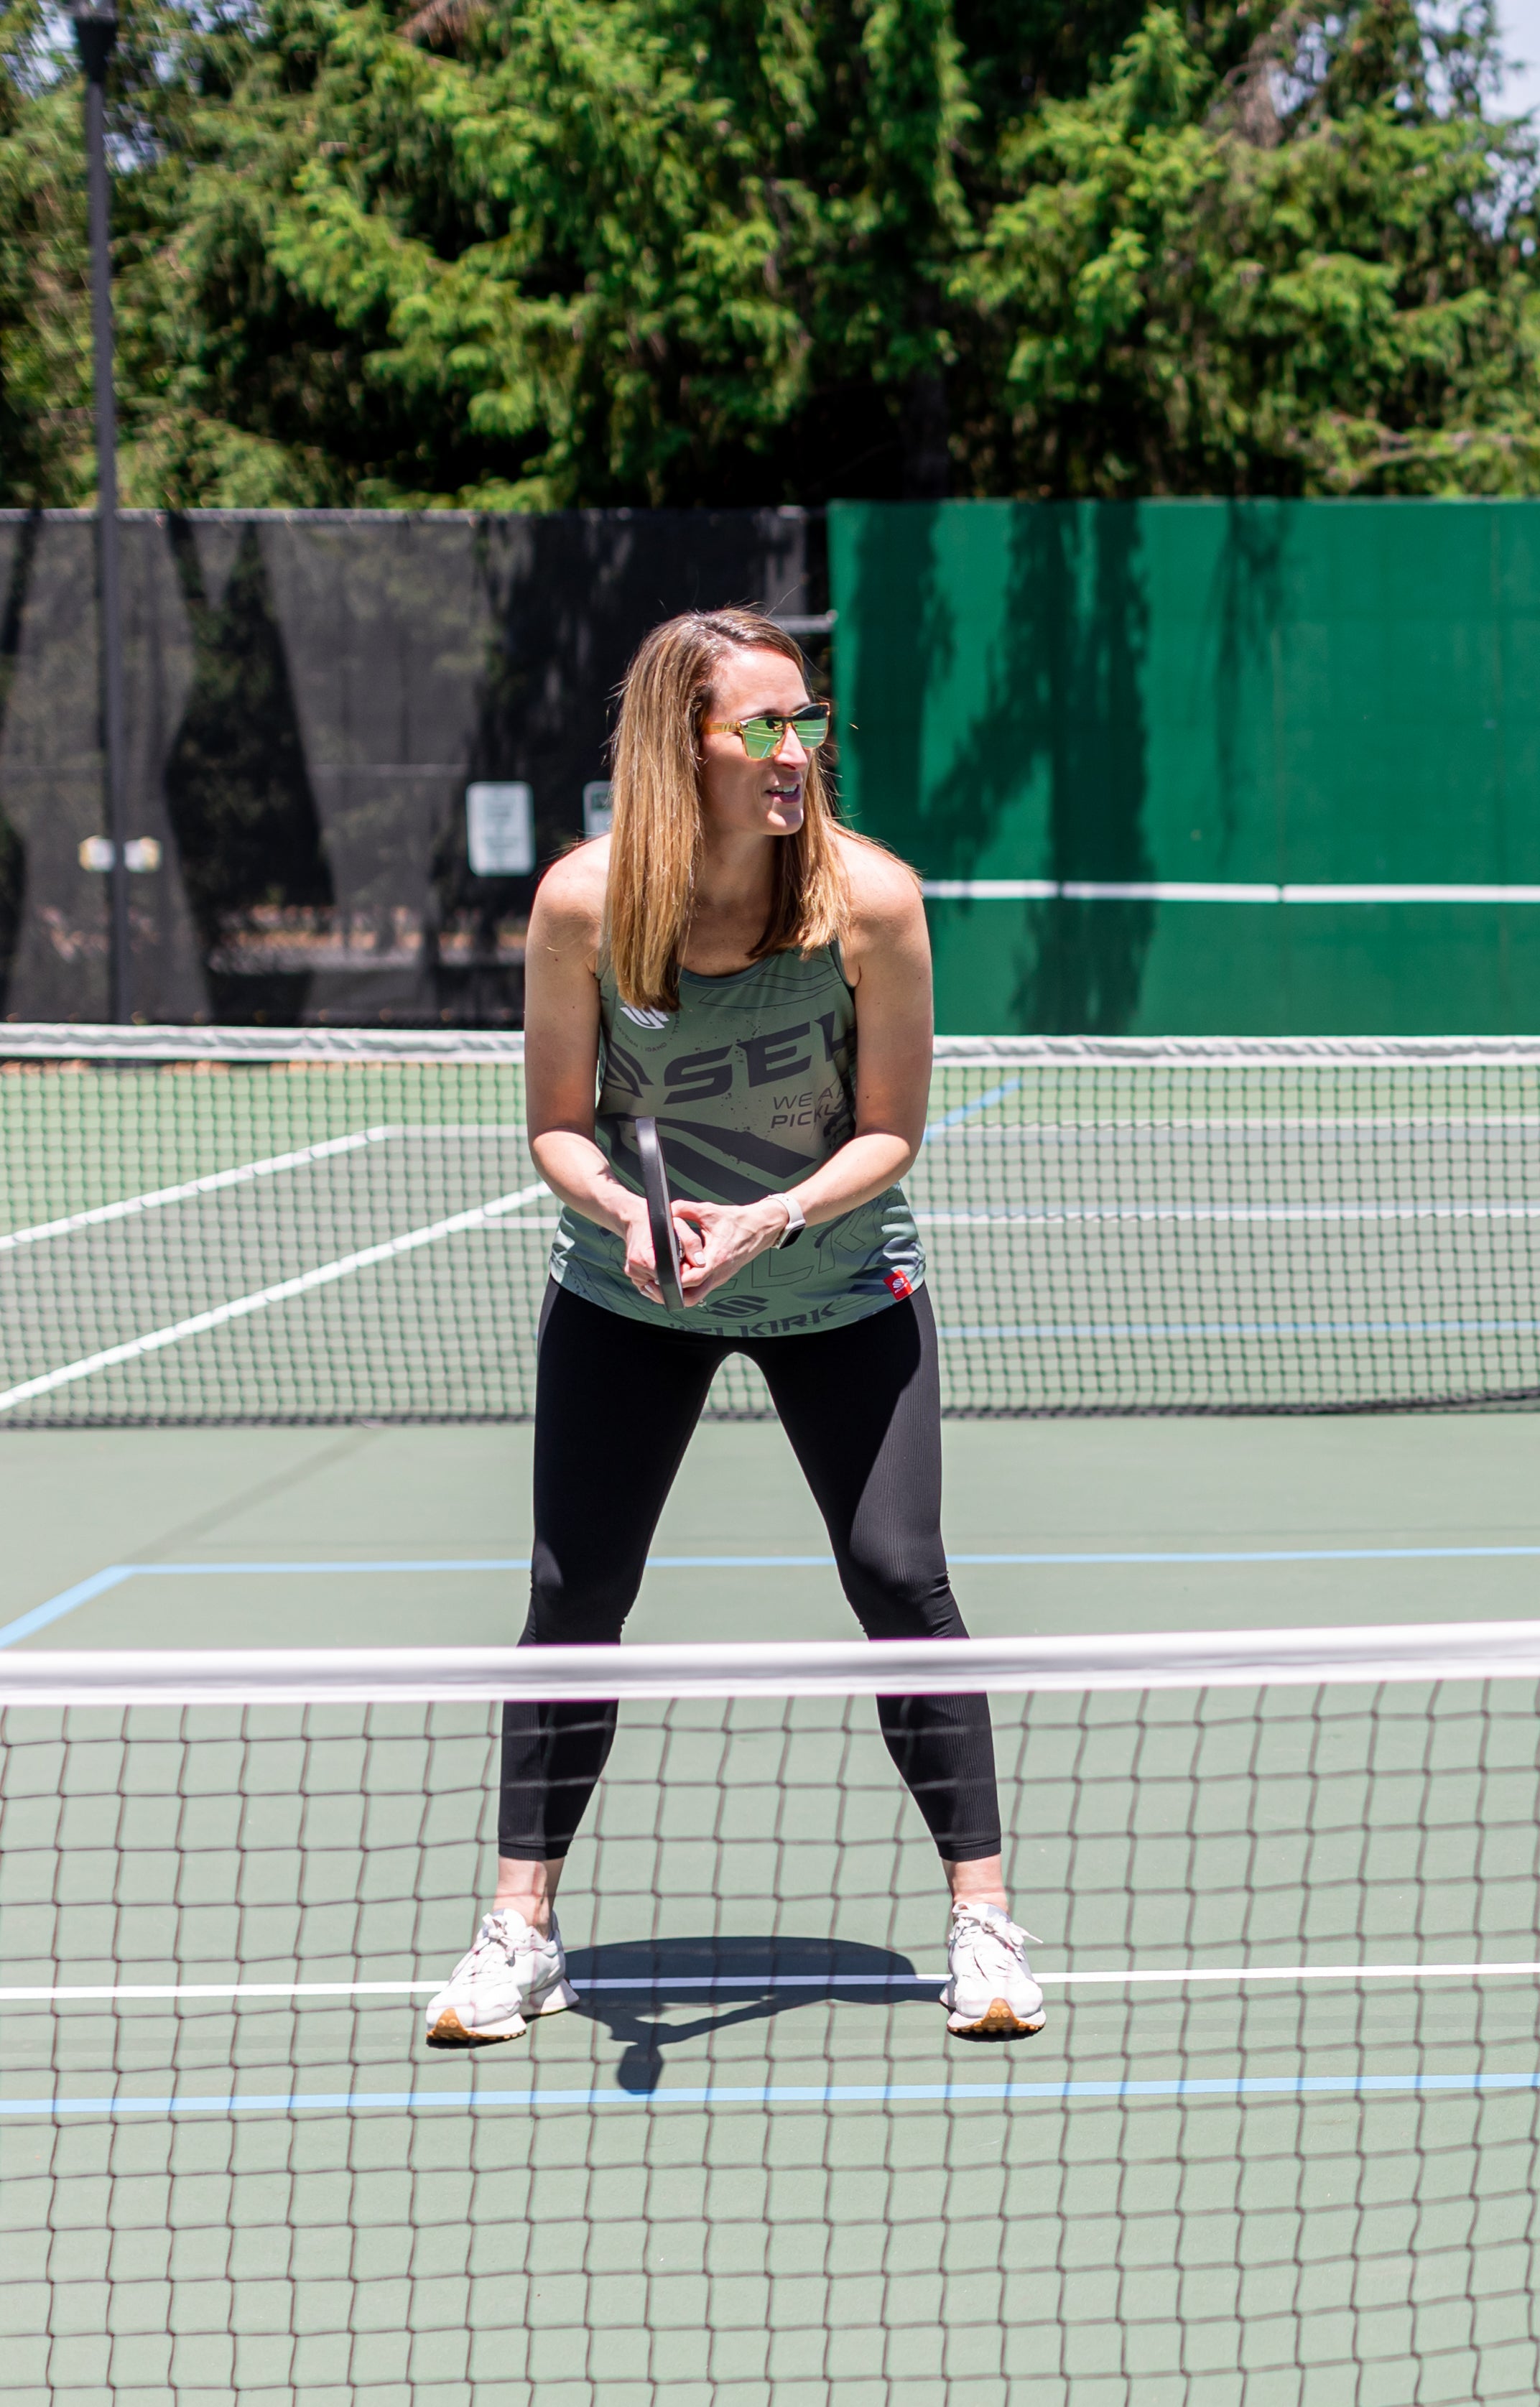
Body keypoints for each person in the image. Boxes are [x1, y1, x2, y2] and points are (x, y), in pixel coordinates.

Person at [419, 608, 1044, 2048]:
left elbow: (891, 1131)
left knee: (900, 1576)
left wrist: (770, 1216)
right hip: (628, 1291)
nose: (793, 752)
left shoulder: (869, 900)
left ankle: (985, 1922)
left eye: (805, 722)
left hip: (832, 1279)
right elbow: (558, 1131)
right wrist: (626, 1217)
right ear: (676, 745)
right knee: (572, 1601)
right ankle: (520, 1927)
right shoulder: (584, 904)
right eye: (758, 727)